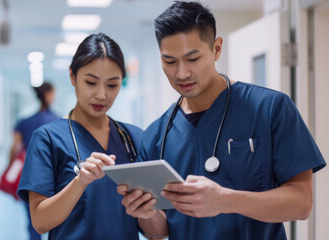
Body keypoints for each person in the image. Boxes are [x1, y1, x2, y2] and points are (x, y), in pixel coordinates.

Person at [117, 2, 326, 240]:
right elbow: (160, 230)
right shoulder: (156, 135)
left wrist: (226, 200)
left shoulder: (270, 108)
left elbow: (301, 203)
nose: (182, 73)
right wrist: (145, 213)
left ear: (217, 49)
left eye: (193, 58)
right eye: (170, 62)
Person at [17, 33, 143, 240]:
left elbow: (153, 229)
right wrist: (80, 182)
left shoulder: (133, 138)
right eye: (91, 82)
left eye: (112, 85)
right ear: (72, 77)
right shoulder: (48, 139)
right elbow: (40, 222)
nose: (101, 95)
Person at [9, 82, 59, 240]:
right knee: (58, 219)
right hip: (55, 177)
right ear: (49, 94)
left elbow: (14, 148)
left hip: (30, 177)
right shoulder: (59, 120)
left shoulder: (24, 121)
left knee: (33, 222)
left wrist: (11, 167)